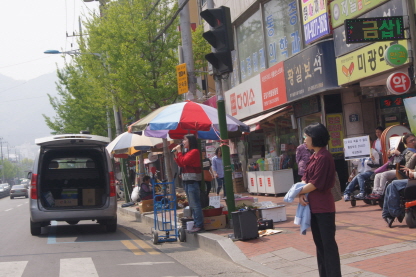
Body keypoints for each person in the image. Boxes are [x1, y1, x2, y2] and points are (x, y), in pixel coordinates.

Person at [297, 123, 341, 277]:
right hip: (313, 207)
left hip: (324, 209)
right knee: (320, 246)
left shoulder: (324, 156)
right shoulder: (314, 155)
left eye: (306, 136)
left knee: (328, 246)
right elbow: (305, 177)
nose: (304, 140)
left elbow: (315, 183)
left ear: (314, 137)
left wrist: (297, 192)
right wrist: (301, 193)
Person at [368, 134, 416, 200]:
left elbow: (404, 164)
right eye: (411, 141)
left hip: (402, 171)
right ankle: (376, 192)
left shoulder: (405, 152)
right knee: (378, 175)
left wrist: (400, 154)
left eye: (414, 140)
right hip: (398, 169)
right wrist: (390, 156)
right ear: (406, 144)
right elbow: (393, 163)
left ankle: (381, 193)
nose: (414, 142)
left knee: (385, 175)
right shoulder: (406, 151)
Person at [173, 134, 204, 233]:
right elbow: (181, 163)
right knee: (191, 204)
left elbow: (184, 161)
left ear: (190, 141)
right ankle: (195, 222)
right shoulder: (187, 152)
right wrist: (176, 154)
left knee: (195, 204)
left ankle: (199, 224)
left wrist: (178, 152)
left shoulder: (194, 152)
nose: (183, 142)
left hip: (192, 181)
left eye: (185, 140)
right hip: (187, 181)